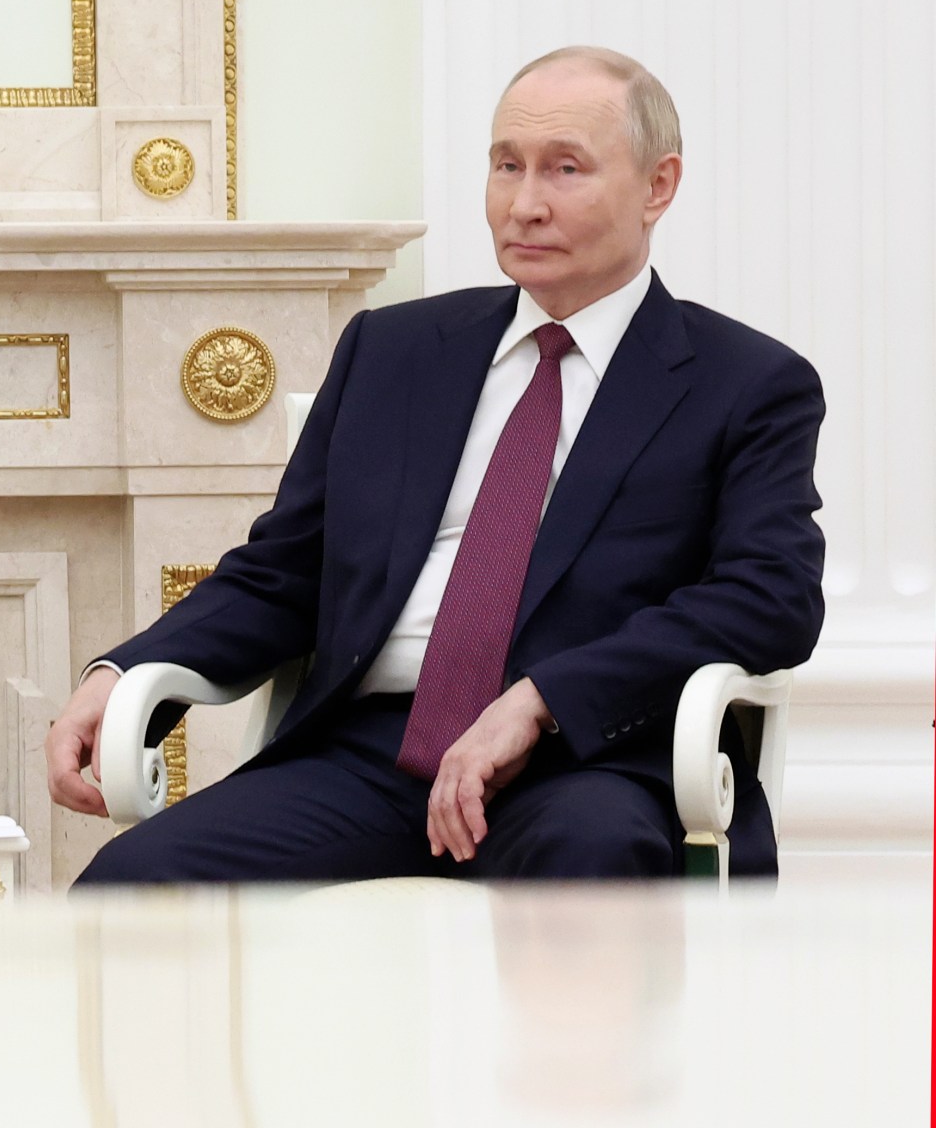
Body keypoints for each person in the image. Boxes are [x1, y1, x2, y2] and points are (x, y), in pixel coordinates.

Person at [51, 47, 825, 882]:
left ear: (658, 186)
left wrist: (543, 702)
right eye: (506, 165)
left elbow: (769, 598)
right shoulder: (393, 352)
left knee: (595, 868)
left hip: (587, 761)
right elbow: (284, 573)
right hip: (370, 755)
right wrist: (122, 672)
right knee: (130, 884)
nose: (524, 204)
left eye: (566, 169)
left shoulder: (745, 384)